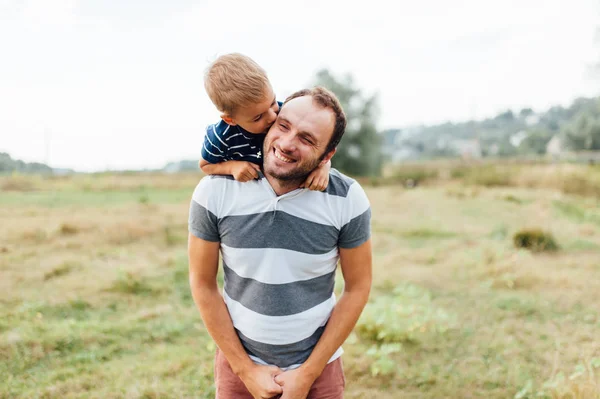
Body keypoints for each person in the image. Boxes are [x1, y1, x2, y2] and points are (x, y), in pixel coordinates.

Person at [188, 87, 372, 399]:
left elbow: (358, 287)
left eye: (307, 138)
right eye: (283, 126)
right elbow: (202, 282)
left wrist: (308, 374)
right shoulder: (214, 191)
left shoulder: (347, 198)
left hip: (319, 372)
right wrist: (246, 370)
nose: (286, 143)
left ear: (327, 155)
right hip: (238, 369)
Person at [199, 53, 330, 191]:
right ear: (230, 119)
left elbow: (320, 144)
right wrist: (232, 167)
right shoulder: (220, 137)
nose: (272, 117)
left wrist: (323, 167)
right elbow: (205, 165)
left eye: (272, 102)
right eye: (257, 117)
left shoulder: (285, 114)